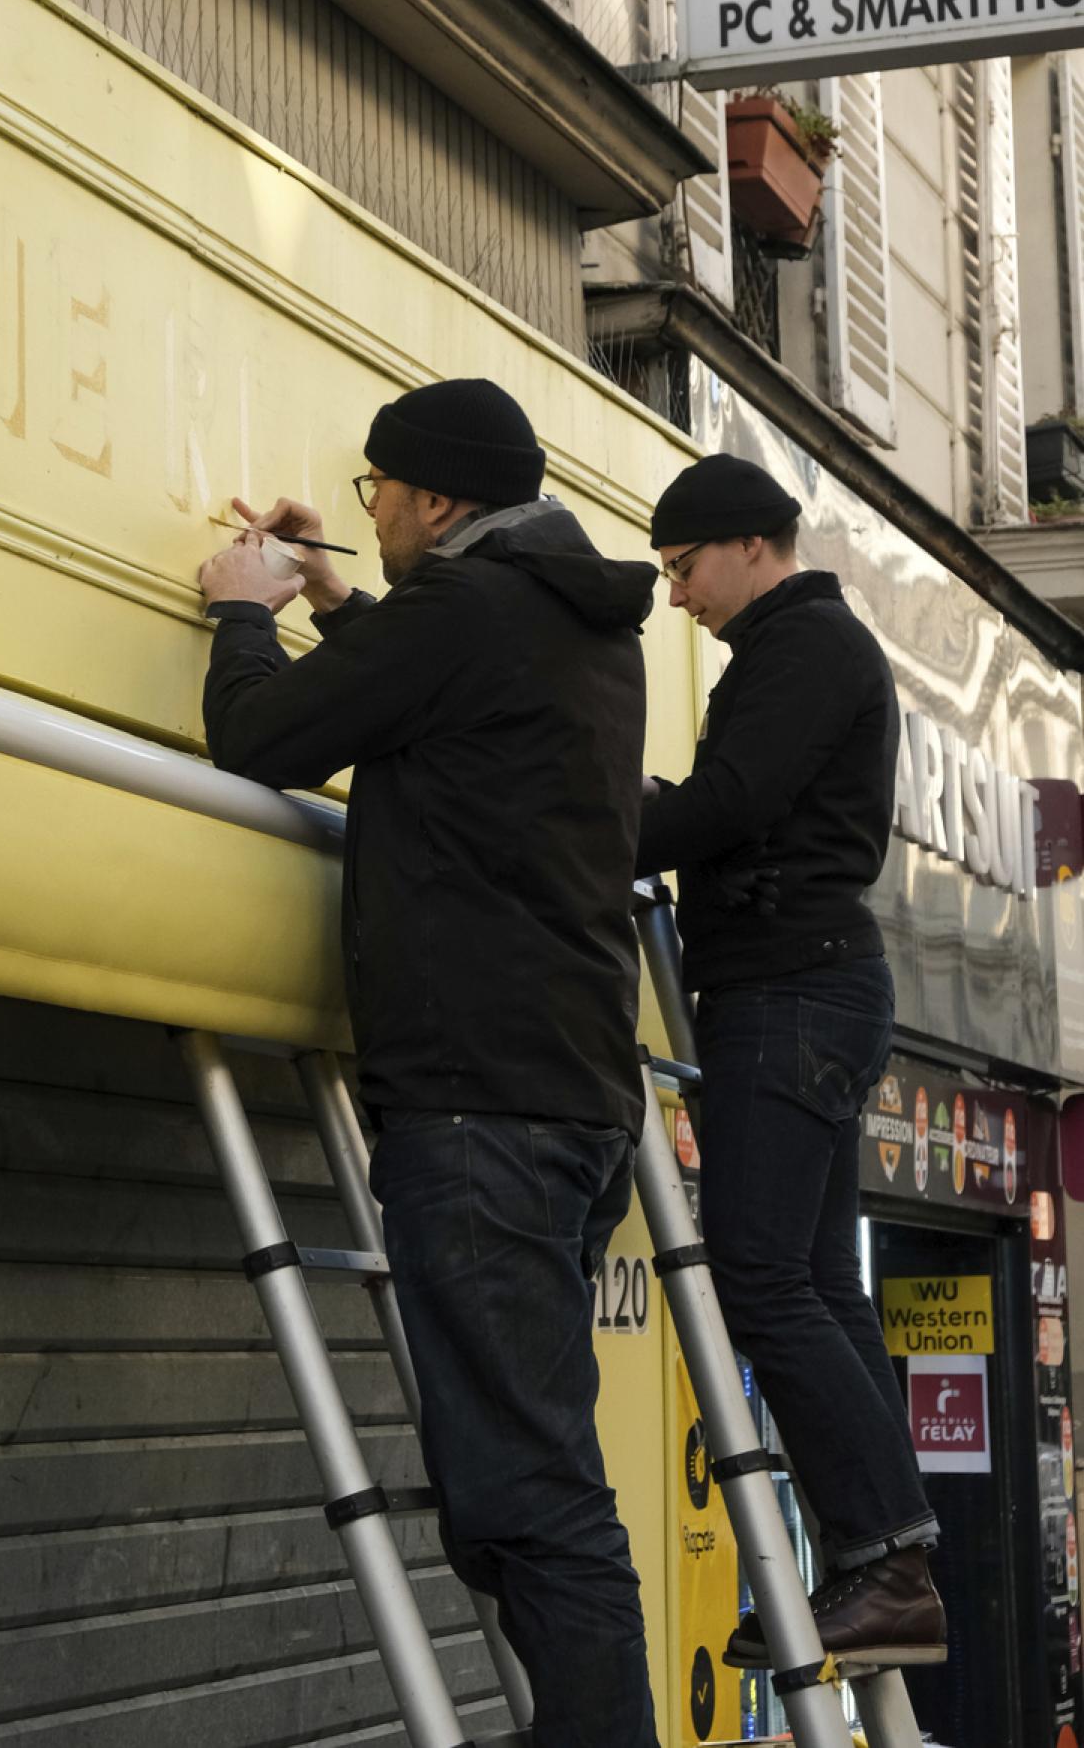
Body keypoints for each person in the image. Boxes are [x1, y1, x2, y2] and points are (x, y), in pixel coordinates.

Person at [197, 376, 662, 1748]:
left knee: (526, 1489)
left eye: (379, 492)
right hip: (571, 1098)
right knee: (518, 1475)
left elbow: (262, 734)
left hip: (481, 1107)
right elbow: (437, 694)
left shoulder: (466, 613)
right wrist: (342, 604)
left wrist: (241, 608)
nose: (373, 510)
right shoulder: (574, 624)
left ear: (439, 500)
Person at [635, 451, 947, 1670]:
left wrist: (595, 809)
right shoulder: (796, 653)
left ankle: (885, 1560)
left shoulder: (801, 648)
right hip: (805, 990)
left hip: (788, 995)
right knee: (814, 1283)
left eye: (682, 566)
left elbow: (731, 801)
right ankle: (887, 1565)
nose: (675, 596)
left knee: (762, 1277)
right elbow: (737, 801)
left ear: (748, 545)